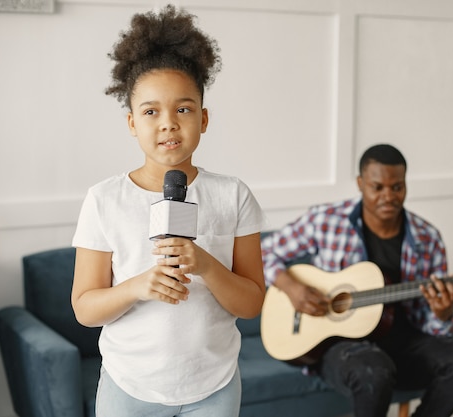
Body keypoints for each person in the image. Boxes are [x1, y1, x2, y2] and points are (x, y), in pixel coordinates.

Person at [71, 6, 266, 417]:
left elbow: (251, 304)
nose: (168, 124)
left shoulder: (233, 196)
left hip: (214, 386)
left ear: (204, 117)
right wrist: (139, 285)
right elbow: (85, 308)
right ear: (130, 122)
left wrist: (208, 266)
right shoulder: (104, 199)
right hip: (129, 387)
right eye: (150, 111)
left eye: (183, 109)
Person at [261, 144, 453, 417]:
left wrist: (443, 313)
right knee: (373, 370)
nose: (388, 197)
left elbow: (436, 330)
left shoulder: (428, 238)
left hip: (404, 341)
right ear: (360, 183)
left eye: (397, 187)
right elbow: (263, 251)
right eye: (377, 187)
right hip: (340, 346)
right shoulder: (326, 220)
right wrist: (291, 288)